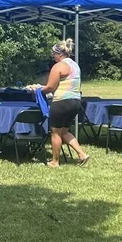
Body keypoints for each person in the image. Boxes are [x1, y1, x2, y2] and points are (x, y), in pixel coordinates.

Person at [28, 38, 89, 168]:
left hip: (61, 102)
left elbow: (50, 88)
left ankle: (55, 161)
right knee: (64, 131)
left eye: (54, 54)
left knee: (55, 132)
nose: (53, 56)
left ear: (59, 54)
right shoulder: (74, 65)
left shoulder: (58, 66)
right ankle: (82, 154)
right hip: (75, 102)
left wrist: (37, 90)